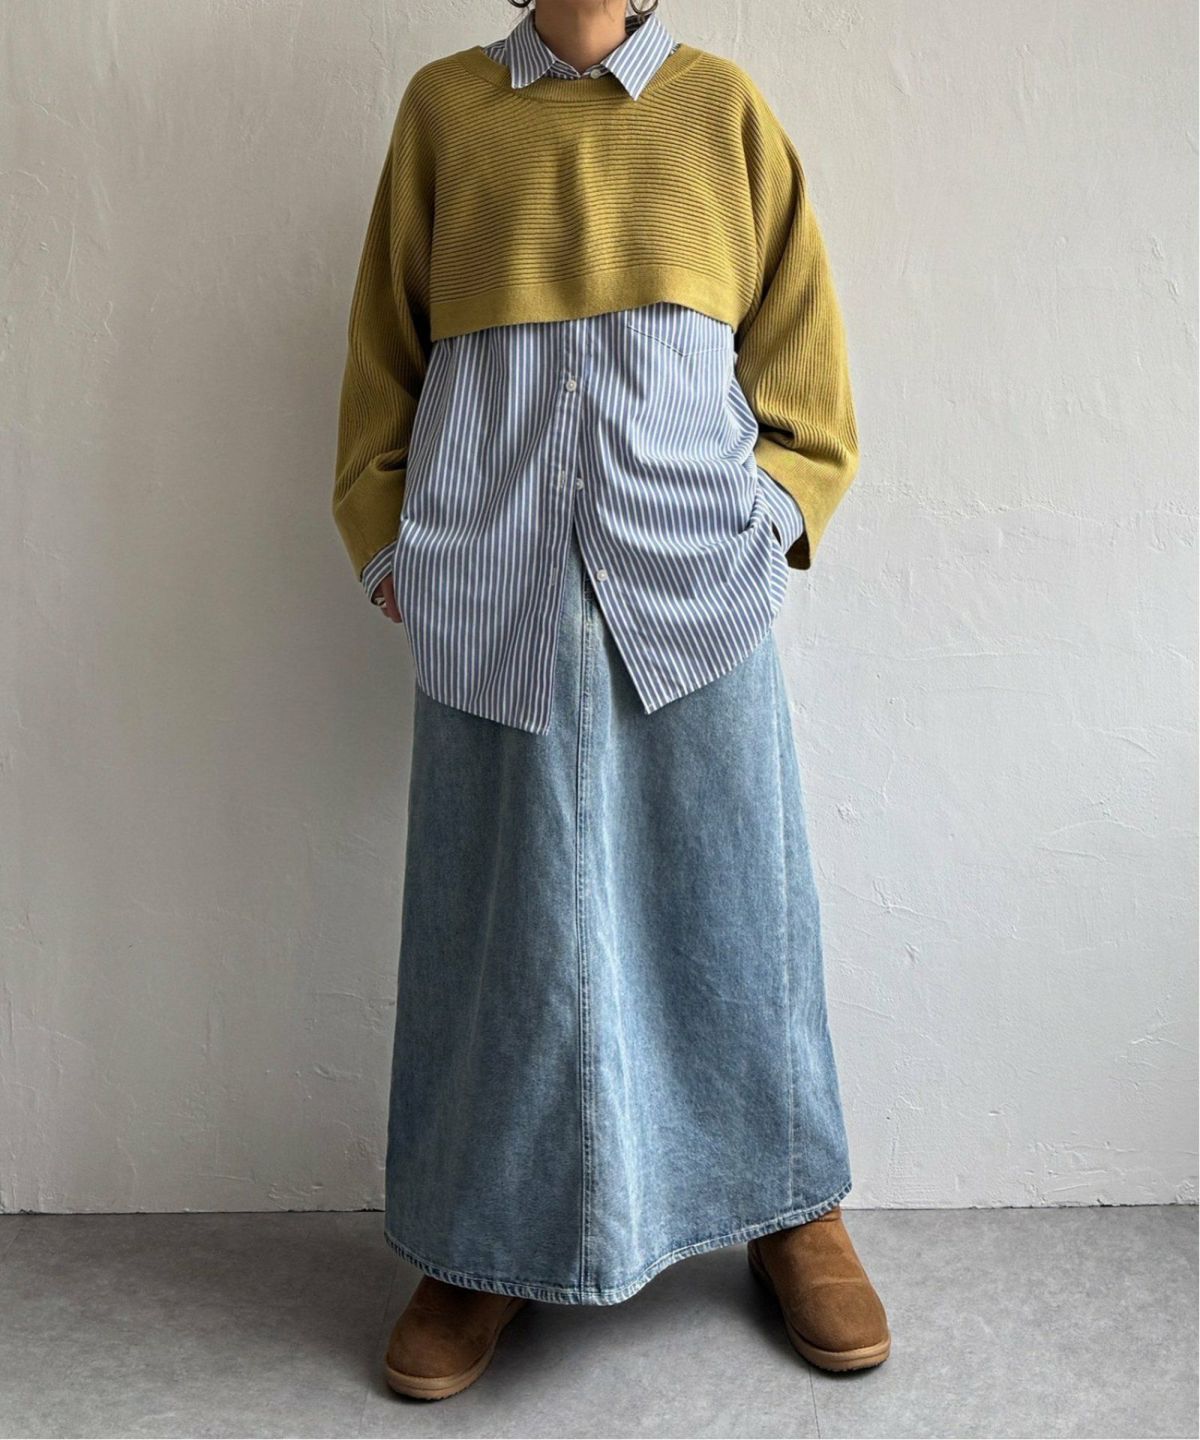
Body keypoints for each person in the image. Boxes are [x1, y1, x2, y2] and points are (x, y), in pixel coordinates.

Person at [331, 0, 889, 1402]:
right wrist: (390, 539)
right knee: (495, 918)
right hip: (491, 580)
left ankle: (790, 1205)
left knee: (735, 895)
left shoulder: (722, 111)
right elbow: (385, 350)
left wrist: (770, 511)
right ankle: (477, 1238)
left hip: (694, 580)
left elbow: (805, 356)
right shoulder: (446, 112)